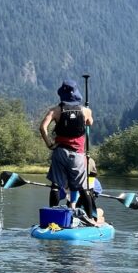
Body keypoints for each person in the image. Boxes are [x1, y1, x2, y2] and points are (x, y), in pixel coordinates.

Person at [39, 79, 96, 220]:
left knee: (56, 185)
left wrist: (49, 144)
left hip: (59, 152)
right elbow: (90, 123)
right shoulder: (86, 111)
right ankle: (90, 219)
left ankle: (52, 218)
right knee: (83, 188)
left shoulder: (55, 111)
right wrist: (86, 115)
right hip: (77, 155)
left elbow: (42, 128)